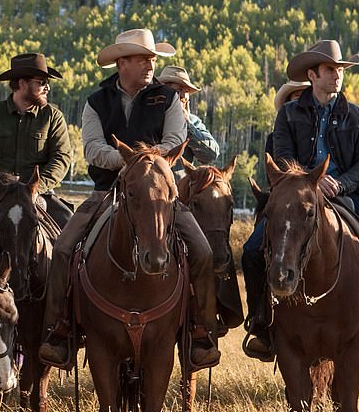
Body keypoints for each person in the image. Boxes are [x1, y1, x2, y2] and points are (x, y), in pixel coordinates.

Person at [37, 28, 221, 370]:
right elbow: (92, 149)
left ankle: (200, 330)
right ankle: (59, 329)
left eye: (153, 59)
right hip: (106, 191)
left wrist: (142, 167)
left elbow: (175, 141)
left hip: (161, 196)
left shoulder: (167, 99)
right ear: (122, 62)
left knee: (203, 250)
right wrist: (128, 165)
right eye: (143, 58)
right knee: (63, 249)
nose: (151, 64)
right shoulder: (97, 101)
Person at [242, 40, 359, 359]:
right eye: (330, 70)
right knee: (251, 250)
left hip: (347, 193)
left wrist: (339, 184)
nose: (337, 76)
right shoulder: (289, 115)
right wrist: (308, 184)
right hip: (298, 195)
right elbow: (282, 157)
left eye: (340, 70)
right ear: (312, 74)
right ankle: (261, 324)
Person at [0, 52, 73, 227]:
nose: (48, 88)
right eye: (42, 82)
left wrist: (37, 187)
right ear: (22, 83)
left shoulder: (53, 117)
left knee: (70, 232)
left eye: (48, 83)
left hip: (40, 194)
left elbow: (62, 158)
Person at [155, 65, 219, 166]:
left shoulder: (193, 122)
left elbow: (211, 155)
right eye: (179, 90)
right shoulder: (150, 116)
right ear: (164, 92)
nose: (183, 95)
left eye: (186, 91)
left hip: (181, 182)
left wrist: (187, 126)